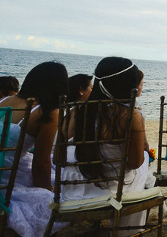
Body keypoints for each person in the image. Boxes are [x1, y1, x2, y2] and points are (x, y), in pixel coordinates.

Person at [60, 57, 154, 236]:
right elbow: (134, 163)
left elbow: (59, 157)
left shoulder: (78, 111)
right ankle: (126, 232)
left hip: (76, 190)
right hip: (113, 191)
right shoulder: (130, 115)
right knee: (144, 163)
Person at [0, 62, 68, 237]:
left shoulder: (0, 101)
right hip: (6, 178)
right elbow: (40, 165)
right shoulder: (46, 112)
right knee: (61, 198)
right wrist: (48, 192)